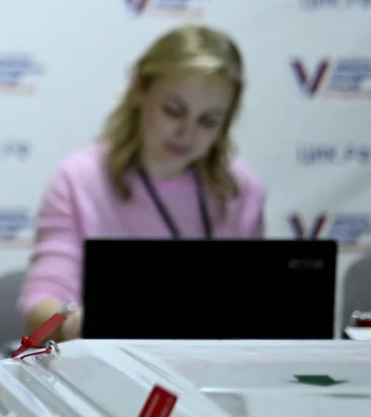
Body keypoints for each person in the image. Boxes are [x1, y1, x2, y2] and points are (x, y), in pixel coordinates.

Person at [17, 25, 265, 341]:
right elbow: (39, 308)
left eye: (208, 121)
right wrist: (73, 326)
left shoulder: (241, 189)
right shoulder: (78, 179)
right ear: (139, 89)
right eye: (174, 111)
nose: (186, 134)